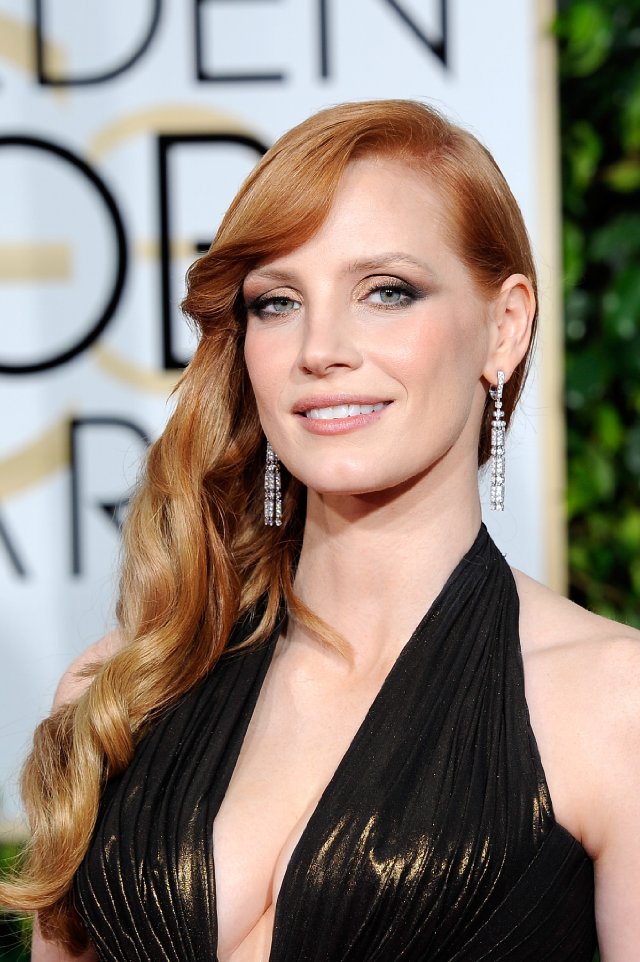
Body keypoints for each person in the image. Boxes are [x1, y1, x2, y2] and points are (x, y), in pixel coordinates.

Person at [1, 100, 638, 962]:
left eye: (387, 292)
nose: (320, 347)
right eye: (277, 302)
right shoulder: (121, 693)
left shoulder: (613, 705)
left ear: (506, 326)